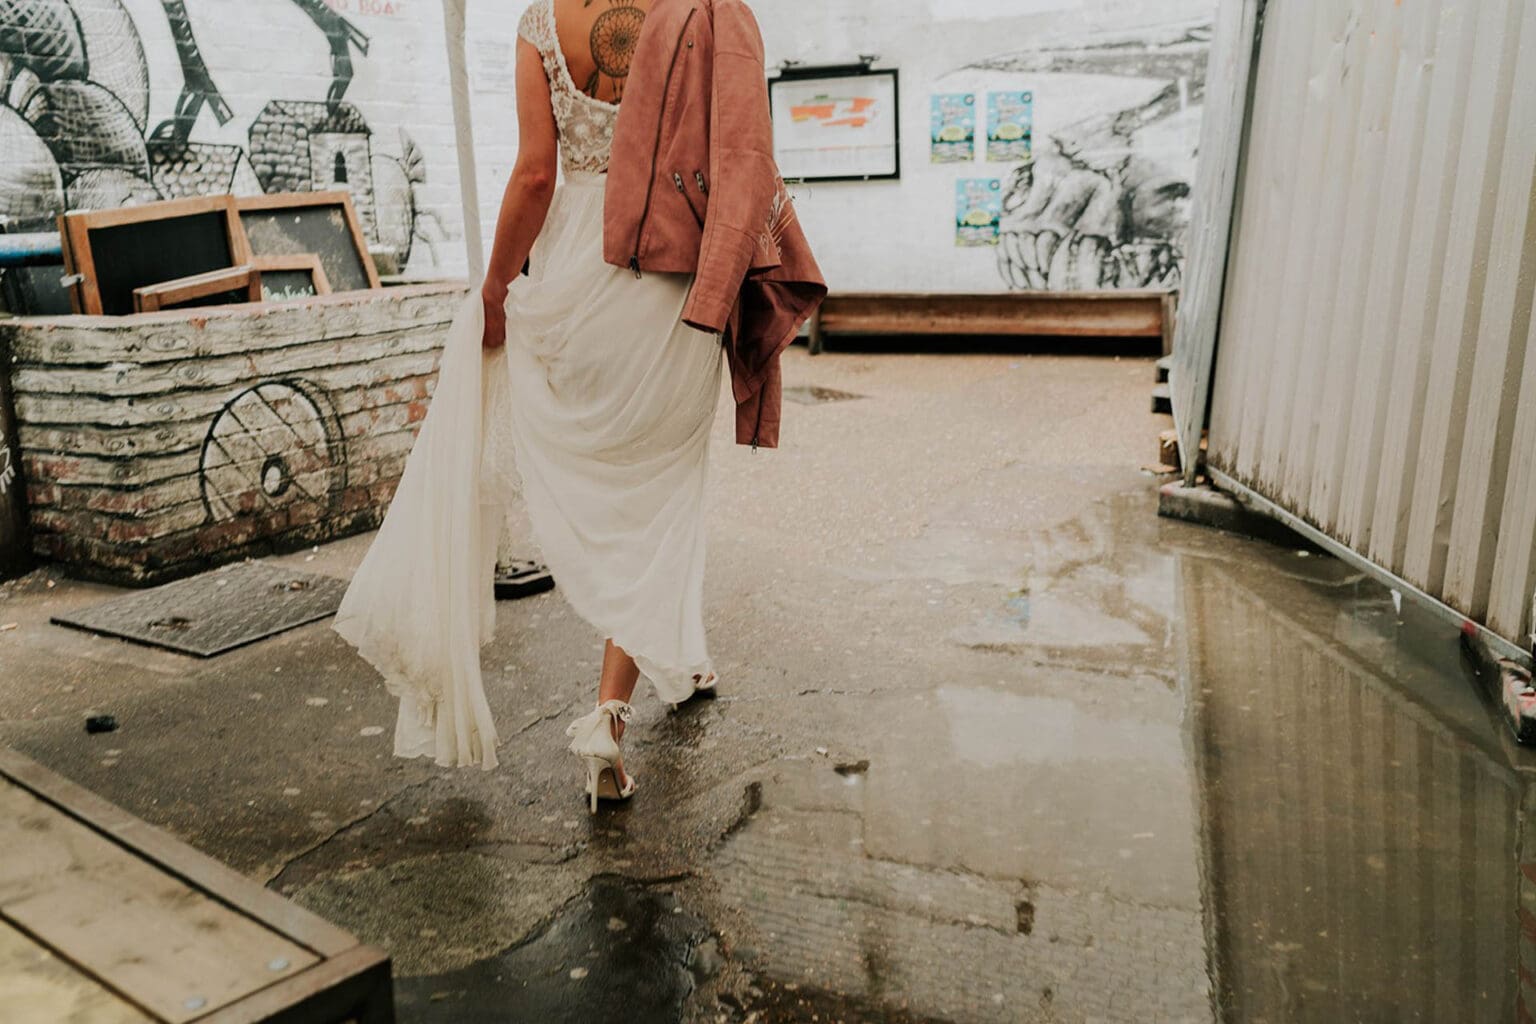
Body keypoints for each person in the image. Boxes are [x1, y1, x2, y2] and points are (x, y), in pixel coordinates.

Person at [333, 0, 824, 812]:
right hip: (671, 278)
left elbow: (534, 174)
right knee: (657, 495)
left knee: (619, 493)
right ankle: (607, 716)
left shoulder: (538, 24)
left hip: (571, 270)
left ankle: (681, 654)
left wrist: (494, 290)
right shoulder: (696, 10)